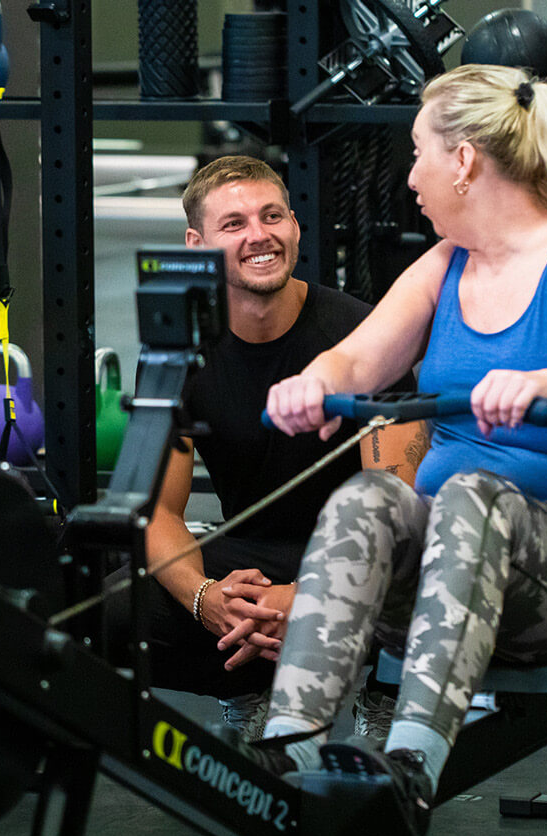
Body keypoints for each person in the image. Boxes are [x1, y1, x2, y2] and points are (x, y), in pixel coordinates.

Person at [252, 65, 547, 836]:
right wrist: (311, 383)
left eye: (418, 154)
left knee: (472, 494)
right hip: (448, 586)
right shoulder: (445, 264)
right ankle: (288, 750)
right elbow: (355, 361)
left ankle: (410, 768)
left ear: (465, 160)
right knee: (367, 499)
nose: (409, 177)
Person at [105, 155, 428, 741]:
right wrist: (209, 600)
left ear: (295, 227)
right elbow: (158, 512)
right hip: (255, 560)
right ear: (196, 242)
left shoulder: (363, 337)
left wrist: (305, 597)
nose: (259, 235)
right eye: (234, 224)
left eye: (271, 216)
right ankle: (248, 685)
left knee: (417, 572)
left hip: (366, 557)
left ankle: (384, 691)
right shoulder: (182, 348)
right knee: (116, 612)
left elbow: (401, 509)